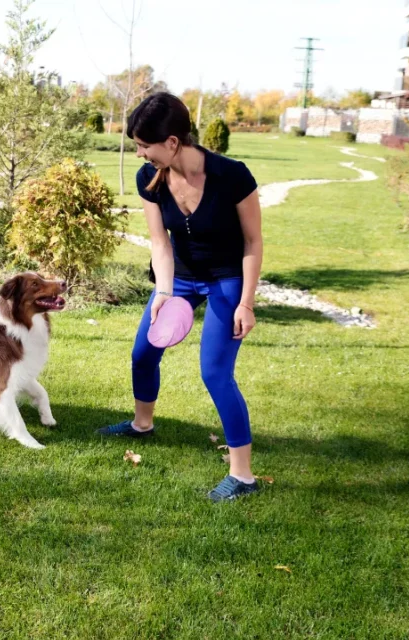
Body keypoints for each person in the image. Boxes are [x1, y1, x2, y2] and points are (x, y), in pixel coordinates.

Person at [97, 92, 263, 502]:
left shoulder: (232, 176)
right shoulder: (149, 179)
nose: (139, 153)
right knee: (143, 351)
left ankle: (242, 476)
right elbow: (159, 242)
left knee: (215, 373)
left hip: (226, 279)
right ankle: (142, 424)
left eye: (143, 145)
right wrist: (165, 292)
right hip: (182, 278)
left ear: (172, 142)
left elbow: (253, 241)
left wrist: (246, 302)